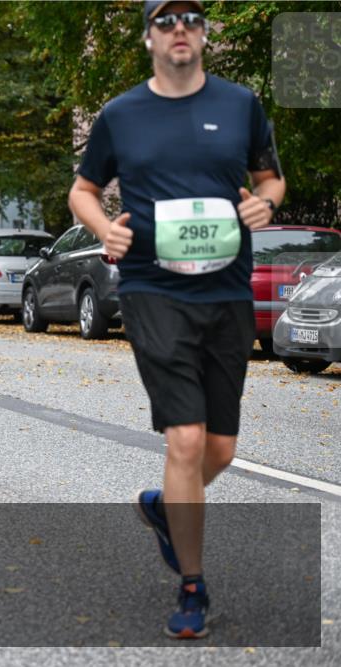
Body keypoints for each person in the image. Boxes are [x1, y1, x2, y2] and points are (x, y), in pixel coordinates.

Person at [68, 0, 285, 639]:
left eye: (191, 18)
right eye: (166, 21)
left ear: (204, 34)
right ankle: (192, 587)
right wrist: (104, 226)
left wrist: (265, 206)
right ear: (148, 39)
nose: (180, 29)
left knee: (220, 447)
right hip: (152, 290)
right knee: (185, 439)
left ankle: (167, 507)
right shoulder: (120, 115)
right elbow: (82, 189)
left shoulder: (241, 105)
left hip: (227, 293)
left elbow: (272, 180)